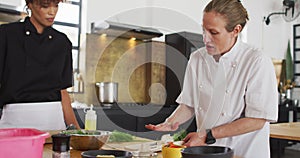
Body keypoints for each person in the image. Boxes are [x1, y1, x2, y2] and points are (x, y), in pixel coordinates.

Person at [146, 0, 278, 157]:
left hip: (245, 153)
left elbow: (257, 120)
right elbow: (189, 104)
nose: (205, 39)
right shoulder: (197, 58)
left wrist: (205, 135)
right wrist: (170, 123)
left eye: (213, 33)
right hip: (207, 152)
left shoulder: (256, 61)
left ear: (236, 30)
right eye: (204, 31)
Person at [0, 0, 80, 130]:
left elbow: (63, 91)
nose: (52, 12)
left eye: (56, 6)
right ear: (29, 4)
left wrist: (77, 132)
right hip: (15, 122)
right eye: (45, 6)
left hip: (54, 123)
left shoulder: (62, 42)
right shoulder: (6, 35)